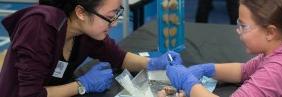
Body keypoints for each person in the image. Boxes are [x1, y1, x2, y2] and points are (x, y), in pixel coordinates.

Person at [0, 0, 182, 97]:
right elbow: (30, 95)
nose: (114, 22)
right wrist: (82, 85)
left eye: (118, 13)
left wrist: (154, 63)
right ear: (81, 12)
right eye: (111, 16)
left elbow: (119, 58)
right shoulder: (40, 26)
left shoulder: (86, 30)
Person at [167, 0, 282, 97]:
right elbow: (243, 71)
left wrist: (188, 83)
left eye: (243, 26)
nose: (238, 30)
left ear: (270, 32)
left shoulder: (281, 68)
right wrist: (206, 69)